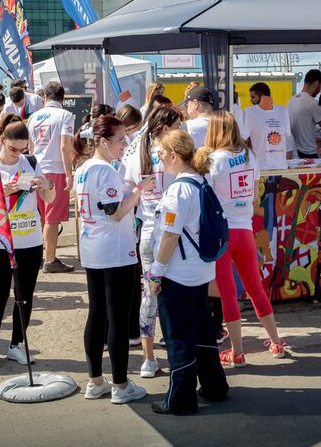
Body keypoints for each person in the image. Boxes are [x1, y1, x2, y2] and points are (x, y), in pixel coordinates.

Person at [149, 129, 229, 415]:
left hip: (178, 274)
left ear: (173, 157)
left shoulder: (178, 189)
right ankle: (214, 387)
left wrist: (156, 272)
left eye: (159, 155)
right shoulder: (199, 182)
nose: (158, 160)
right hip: (200, 270)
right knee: (202, 332)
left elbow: (169, 236)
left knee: (179, 336)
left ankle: (180, 399)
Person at [75, 114, 152, 404]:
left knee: (97, 315)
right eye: (120, 140)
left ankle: (96, 381)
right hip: (115, 252)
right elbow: (117, 212)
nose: (124, 144)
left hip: (95, 248)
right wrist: (138, 190)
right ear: (104, 142)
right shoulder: (104, 171)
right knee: (117, 318)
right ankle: (120, 385)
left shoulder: (83, 169)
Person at [203, 111, 288, 367]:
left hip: (222, 233)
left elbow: (205, 199)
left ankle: (237, 353)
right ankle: (276, 343)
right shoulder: (250, 155)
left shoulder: (213, 160)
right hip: (245, 229)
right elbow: (254, 196)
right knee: (255, 288)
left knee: (228, 293)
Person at [0, 116, 54, 367]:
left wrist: (46, 185)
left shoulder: (31, 162)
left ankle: (17, 344)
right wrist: (5, 190)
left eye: (23, 149)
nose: (18, 154)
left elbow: (50, 198)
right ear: (1, 140)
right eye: (13, 148)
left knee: (24, 295)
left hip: (29, 239)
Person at [124, 106, 183, 378]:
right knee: (174, 294)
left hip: (147, 232)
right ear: (164, 128)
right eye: (177, 125)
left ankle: (148, 359)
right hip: (172, 232)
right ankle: (176, 352)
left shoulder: (137, 151)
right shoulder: (172, 156)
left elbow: (127, 187)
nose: (180, 130)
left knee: (149, 295)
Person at [29, 82, 76, 272]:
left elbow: (30, 147)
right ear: (62, 98)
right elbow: (65, 146)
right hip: (55, 169)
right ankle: (50, 260)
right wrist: (69, 173)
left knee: (41, 215)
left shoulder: (33, 116)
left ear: (45, 98)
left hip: (36, 168)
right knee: (52, 218)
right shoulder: (66, 115)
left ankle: (40, 256)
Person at [243, 83, 294, 171]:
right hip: (261, 167)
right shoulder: (249, 112)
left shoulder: (283, 111)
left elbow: (287, 137)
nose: (250, 100)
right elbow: (243, 139)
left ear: (262, 96)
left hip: (280, 166)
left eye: (253, 97)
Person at [287, 69, 321, 159]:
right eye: (320, 87)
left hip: (293, 151)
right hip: (308, 152)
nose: (320, 91)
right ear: (316, 84)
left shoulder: (291, 100)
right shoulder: (312, 103)